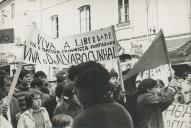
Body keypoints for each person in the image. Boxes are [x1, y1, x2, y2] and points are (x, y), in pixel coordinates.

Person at [68, 61, 134, 128]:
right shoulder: (122, 111)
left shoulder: (83, 120)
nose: (73, 91)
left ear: (89, 88)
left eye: (76, 86)